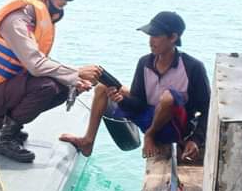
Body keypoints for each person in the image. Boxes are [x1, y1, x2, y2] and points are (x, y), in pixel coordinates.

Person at [0, 0, 101, 163]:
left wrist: (74, 80)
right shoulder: (16, 21)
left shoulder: (33, 21)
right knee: (46, 86)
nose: (61, 11)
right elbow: (36, 66)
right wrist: (77, 72)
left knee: (63, 86)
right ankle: (5, 138)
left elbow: (39, 63)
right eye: (60, 4)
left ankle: (3, 122)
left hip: (5, 89)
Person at [60, 11, 210, 161]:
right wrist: (121, 100)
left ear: (173, 37)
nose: (151, 41)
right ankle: (88, 141)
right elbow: (139, 103)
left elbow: (206, 109)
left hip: (175, 128)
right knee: (102, 86)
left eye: (156, 36)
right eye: (150, 36)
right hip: (149, 118)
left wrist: (196, 140)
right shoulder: (144, 62)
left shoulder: (193, 67)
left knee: (168, 97)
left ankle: (150, 136)